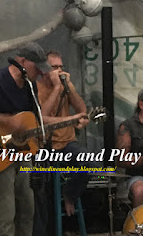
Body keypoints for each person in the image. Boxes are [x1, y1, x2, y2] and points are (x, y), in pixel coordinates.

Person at [0, 43, 86, 236]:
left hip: (21, 152)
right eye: (36, 68)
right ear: (22, 61)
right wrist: (6, 120)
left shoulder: (29, 86)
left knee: (28, 208)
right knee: (6, 213)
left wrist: (70, 120)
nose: (39, 73)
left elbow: (37, 119)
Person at [37, 50, 98, 216]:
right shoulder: (37, 88)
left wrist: (69, 86)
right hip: (45, 146)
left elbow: (82, 110)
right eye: (54, 67)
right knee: (39, 187)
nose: (59, 71)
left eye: (61, 67)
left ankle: (69, 195)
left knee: (89, 163)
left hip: (67, 142)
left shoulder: (65, 87)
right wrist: (57, 87)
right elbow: (42, 117)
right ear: (44, 69)